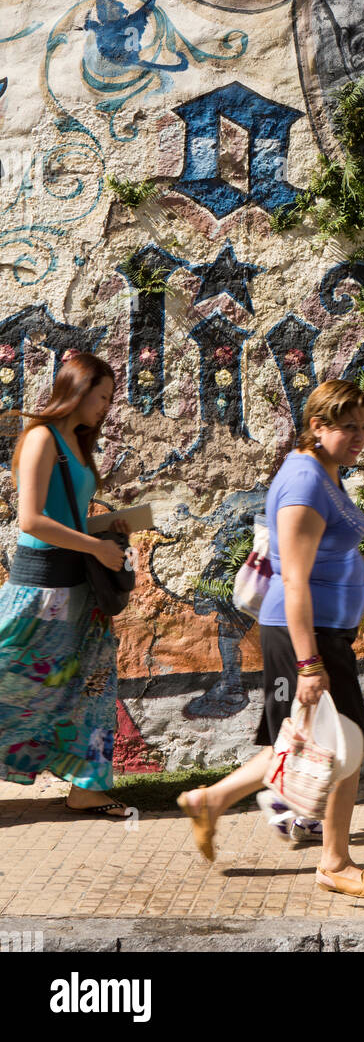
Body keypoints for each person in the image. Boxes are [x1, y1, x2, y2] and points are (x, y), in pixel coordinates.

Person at [177, 379, 364, 897]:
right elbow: (292, 578)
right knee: (346, 745)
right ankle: (335, 864)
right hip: (305, 634)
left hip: (326, 629)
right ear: (317, 426)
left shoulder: (326, 474)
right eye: (348, 427)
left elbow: (314, 553)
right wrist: (309, 665)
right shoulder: (304, 481)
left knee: (308, 740)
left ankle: (210, 801)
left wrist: (355, 562)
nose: (360, 436)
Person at [0, 349, 132, 814]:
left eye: (110, 397)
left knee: (93, 686)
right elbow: (31, 519)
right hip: (39, 593)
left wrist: (106, 530)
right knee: (7, 681)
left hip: (80, 593)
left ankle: (87, 786)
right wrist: (96, 547)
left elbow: (64, 517)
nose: (107, 406)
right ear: (78, 389)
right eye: (103, 395)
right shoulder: (41, 438)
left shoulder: (77, 442)